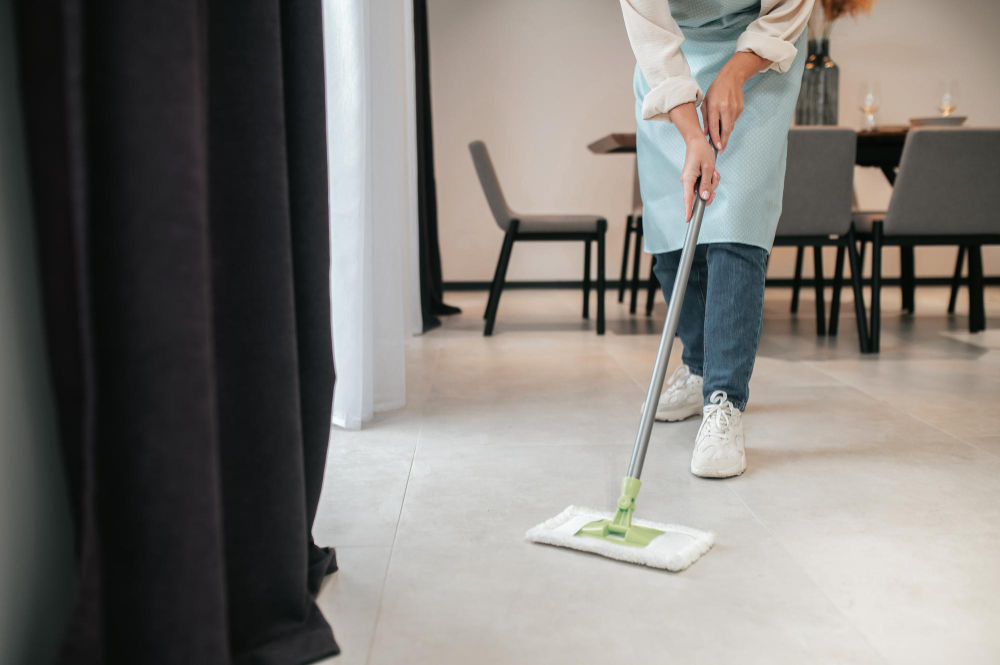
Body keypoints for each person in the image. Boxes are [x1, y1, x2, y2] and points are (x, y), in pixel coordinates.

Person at [618, 0, 813, 478]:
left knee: (737, 228)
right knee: (671, 228)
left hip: (762, 59)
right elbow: (655, 42)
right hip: (672, 65)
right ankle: (699, 365)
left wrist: (734, 73)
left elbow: (790, 10)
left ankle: (724, 400)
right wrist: (692, 136)